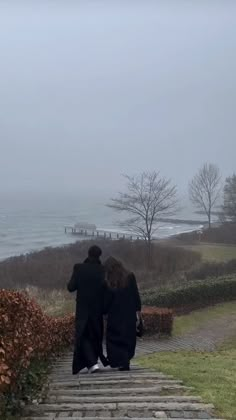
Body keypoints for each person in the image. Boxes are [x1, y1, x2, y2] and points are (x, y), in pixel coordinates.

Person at [67, 245, 108, 374]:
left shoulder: (78, 268)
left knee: (83, 336)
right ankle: (93, 363)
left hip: (83, 309)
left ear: (88, 253)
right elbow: (107, 290)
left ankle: (92, 364)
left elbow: (71, 287)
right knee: (96, 336)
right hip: (97, 309)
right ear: (99, 255)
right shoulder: (103, 270)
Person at [104, 257, 142, 371]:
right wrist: (138, 310)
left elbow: (106, 299)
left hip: (114, 314)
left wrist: (104, 311)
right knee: (128, 337)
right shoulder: (130, 276)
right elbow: (135, 294)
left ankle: (119, 360)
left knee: (114, 338)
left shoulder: (109, 280)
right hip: (129, 313)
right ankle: (126, 359)